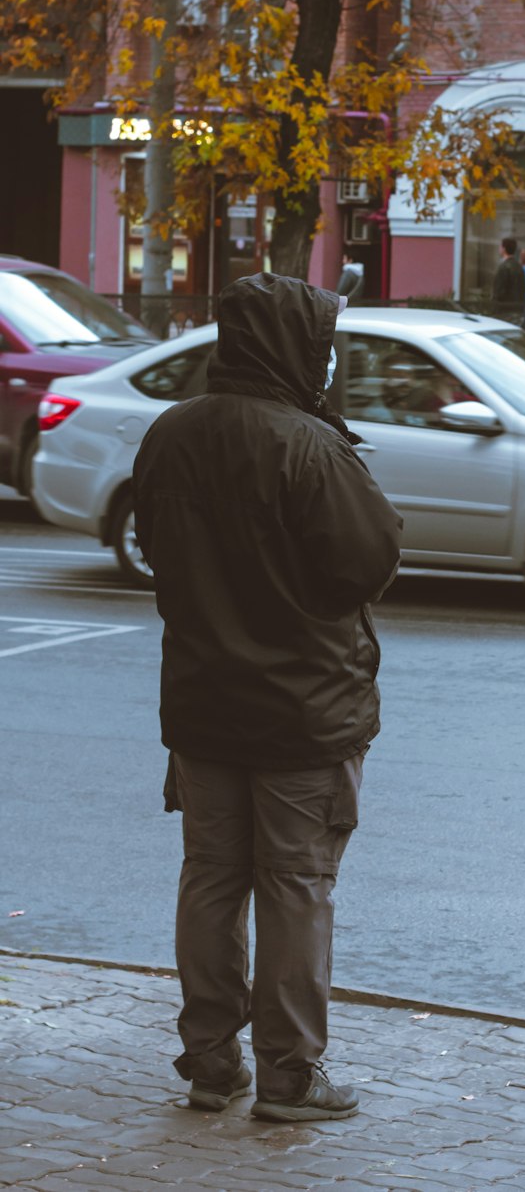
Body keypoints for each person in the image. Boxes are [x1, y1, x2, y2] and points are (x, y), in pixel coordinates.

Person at [132, 273, 401, 1124]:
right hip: (303, 709)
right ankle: (289, 1073)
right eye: (322, 345)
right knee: (296, 883)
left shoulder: (171, 435)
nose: (327, 362)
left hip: (204, 700)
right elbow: (368, 560)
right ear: (295, 347)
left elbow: (158, 552)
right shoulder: (308, 446)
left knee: (211, 877)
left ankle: (212, 1060)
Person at [490, 235, 525, 316]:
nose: (499, 248)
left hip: (505, 310)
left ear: (504, 248)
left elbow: (498, 291)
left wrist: (494, 308)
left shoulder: (504, 267)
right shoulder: (519, 267)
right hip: (518, 309)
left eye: (500, 246)